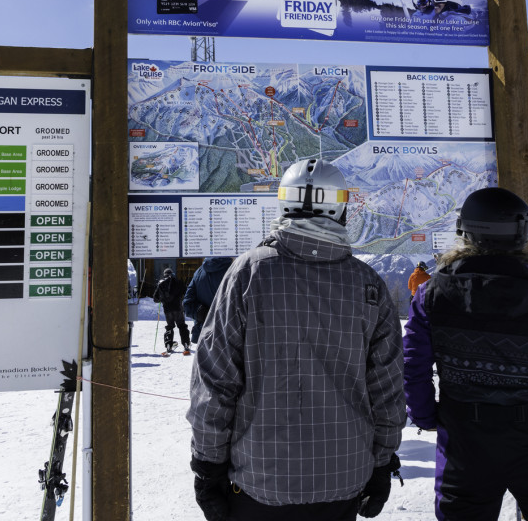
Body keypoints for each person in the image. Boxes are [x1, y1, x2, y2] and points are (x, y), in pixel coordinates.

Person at [188, 157, 405, 521]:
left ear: (284, 202)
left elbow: (214, 381)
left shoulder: (248, 273)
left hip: (261, 478)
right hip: (344, 475)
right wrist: (382, 461)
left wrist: (207, 465)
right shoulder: (368, 285)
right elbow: (387, 388)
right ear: (340, 206)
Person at [403, 187, 528, 520]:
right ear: (523, 232)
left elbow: (413, 366)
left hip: (463, 436)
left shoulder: (434, 293)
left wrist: (425, 415)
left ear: (465, 231)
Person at [182, 256, 232, 344]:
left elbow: (187, 303)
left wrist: (200, 312)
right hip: (228, 334)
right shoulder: (234, 270)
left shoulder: (199, 272)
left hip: (203, 333)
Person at [153, 267, 191, 355]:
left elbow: (155, 299)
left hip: (167, 310)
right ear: (172, 274)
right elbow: (186, 292)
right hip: (178, 308)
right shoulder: (178, 282)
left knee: (169, 326)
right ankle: (186, 343)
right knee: (182, 325)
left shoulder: (161, 284)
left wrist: (162, 298)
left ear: (164, 274)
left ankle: (168, 345)